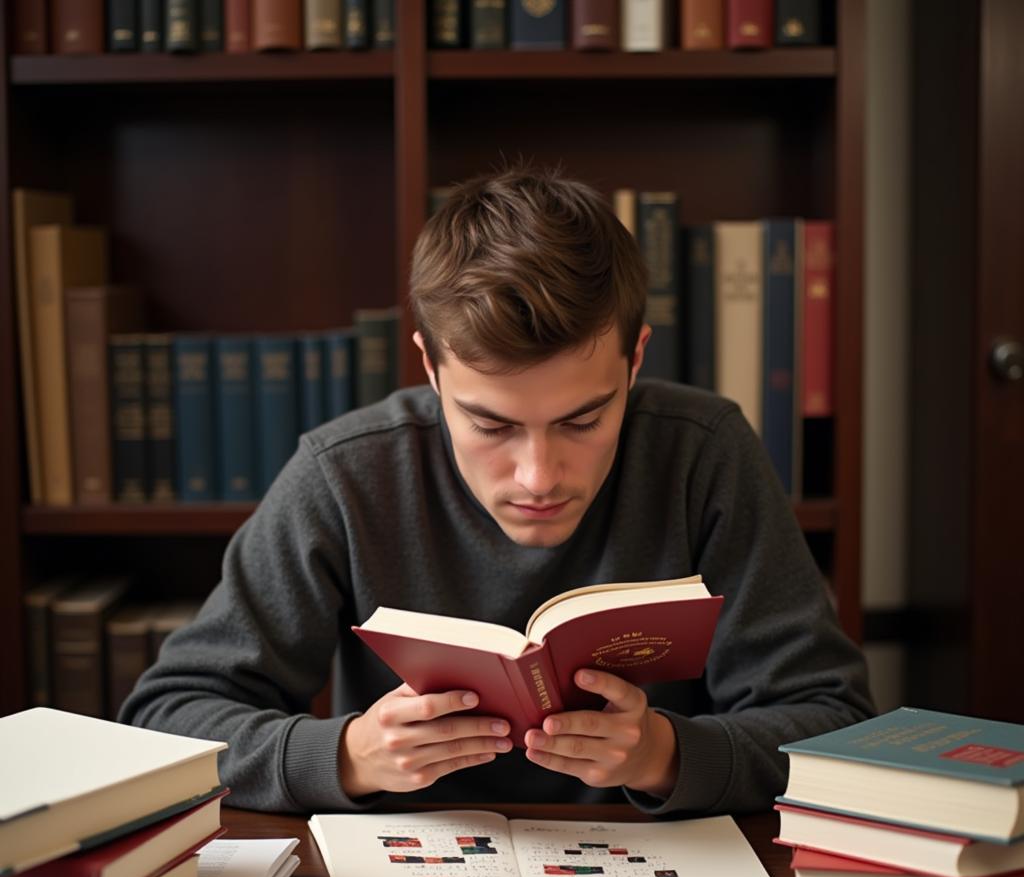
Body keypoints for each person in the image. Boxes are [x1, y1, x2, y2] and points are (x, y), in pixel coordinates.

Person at [121, 166, 874, 815]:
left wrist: (666, 755)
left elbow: (833, 722)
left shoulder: (704, 455)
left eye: (585, 418)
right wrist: (347, 755)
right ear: (430, 367)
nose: (538, 476)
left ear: (635, 358)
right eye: (489, 423)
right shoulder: (347, 473)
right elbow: (164, 720)